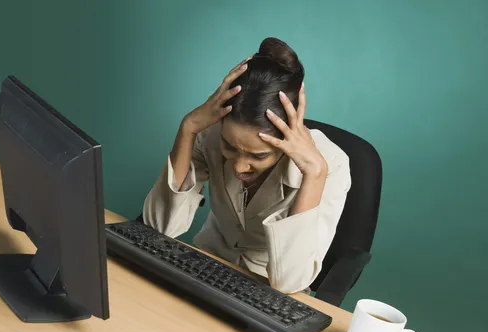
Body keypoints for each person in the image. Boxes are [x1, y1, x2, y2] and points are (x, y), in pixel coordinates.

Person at [142, 37, 351, 294]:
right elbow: (158, 227)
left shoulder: (331, 163)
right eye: (230, 148)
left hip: (269, 293)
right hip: (204, 267)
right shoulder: (211, 134)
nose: (240, 167)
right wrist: (188, 129)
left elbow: (289, 282)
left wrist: (315, 174)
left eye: (258, 156)